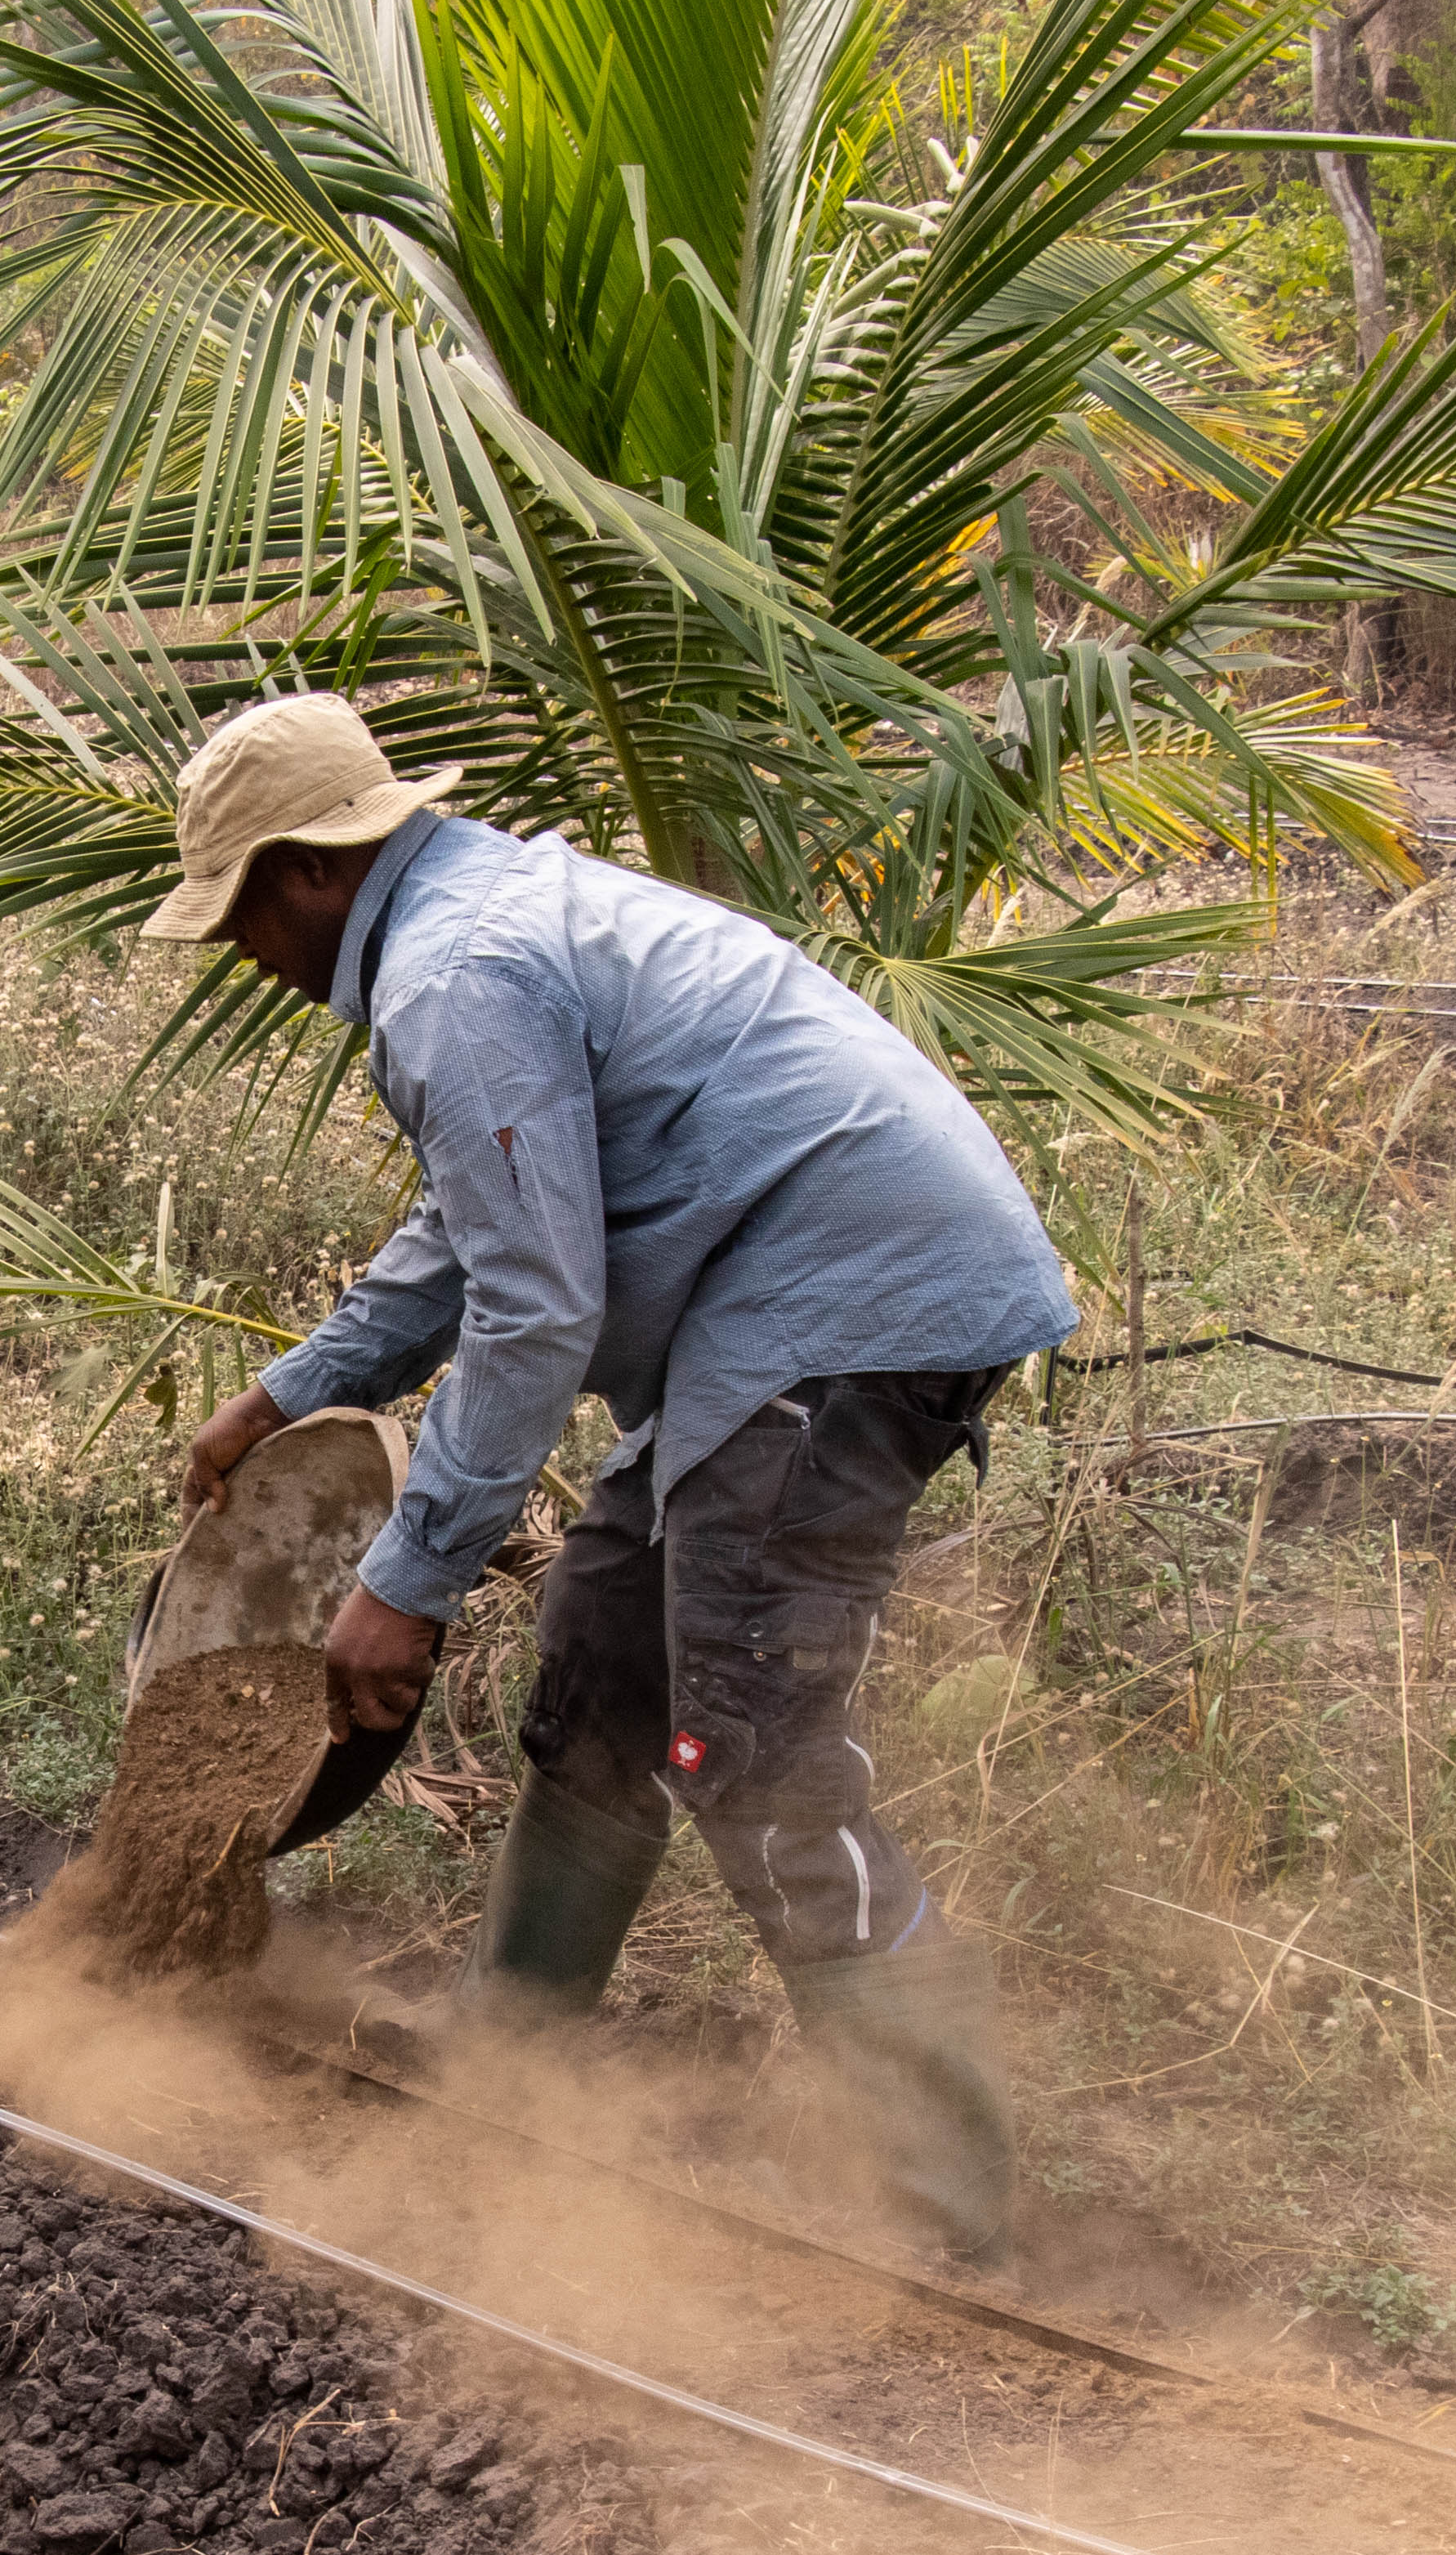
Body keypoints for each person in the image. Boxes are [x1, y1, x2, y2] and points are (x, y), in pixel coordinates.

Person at [160, 691, 1077, 2269]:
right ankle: (503, 2074)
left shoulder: (453, 975)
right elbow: (475, 1229)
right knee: (604, 1653)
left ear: (311, 869)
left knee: (753, 1740)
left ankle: (945, 2219)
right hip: (796, 1320)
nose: (242, 952)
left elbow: (535, 1309)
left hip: (846, 1325)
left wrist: (408, 1583)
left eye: (238, 909)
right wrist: (295, 1388)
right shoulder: (475, 922)